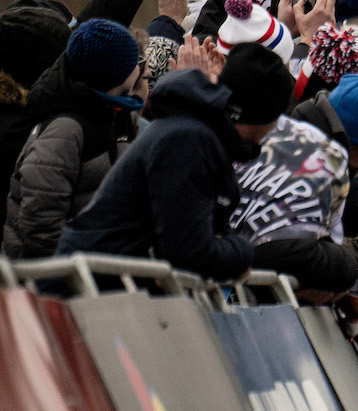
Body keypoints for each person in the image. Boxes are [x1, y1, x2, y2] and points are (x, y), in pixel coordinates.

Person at [57, 43, 294, 280]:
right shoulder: (189, 141)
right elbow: (191, 253)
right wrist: (243, 252)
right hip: (88, 292)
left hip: (109, 285)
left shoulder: (201, 135)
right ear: (264, 116)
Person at [4, 20, 145, 258]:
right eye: (135, 61)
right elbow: (41, 226)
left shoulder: (115, 116)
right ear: (116, 73)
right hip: (54, 277)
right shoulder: (65, 131)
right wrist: (95, 267)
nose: (140, 67)